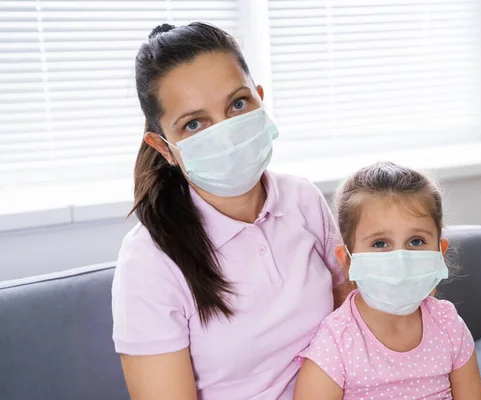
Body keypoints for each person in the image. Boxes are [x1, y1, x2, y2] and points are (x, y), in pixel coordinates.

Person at [111, 22, 351, 400]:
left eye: (238, 104)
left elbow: (356, 327)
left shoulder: (303, 199)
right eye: (194, 124)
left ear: (259, 98)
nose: (226, 131)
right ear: (163, 147)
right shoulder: (149, 261)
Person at [293, 162, 481, 400]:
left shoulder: (448, 325)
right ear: (348, 260)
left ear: (439, 252)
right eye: (380, 243)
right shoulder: (336, 343)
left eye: (416, 241)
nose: (400, 260)